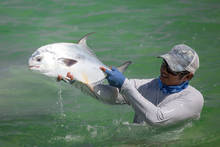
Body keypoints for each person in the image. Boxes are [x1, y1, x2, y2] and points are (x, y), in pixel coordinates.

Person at [61, 44, 204, 126]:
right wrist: (77, 81)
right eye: (164, 64)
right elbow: (112, 97)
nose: (164, 71)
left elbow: (157, 119)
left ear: (188, 76)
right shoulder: (147, 85)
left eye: (172, 69)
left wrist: (124, 85)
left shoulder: (193, 98)